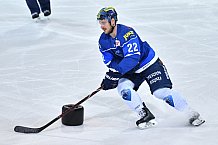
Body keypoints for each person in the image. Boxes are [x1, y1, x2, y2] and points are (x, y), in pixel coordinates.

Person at [97, 7, 205, 129]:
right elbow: (110, 61)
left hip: (149, 64)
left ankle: (190, 113)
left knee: (161, 92)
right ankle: (144, 114)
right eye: (100, 23)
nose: (101, 26)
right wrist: (113, 76)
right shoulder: (103, 41)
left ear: (112, 21)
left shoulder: (127, 33)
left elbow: (132, 58)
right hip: (132, 70)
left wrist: (116, 73)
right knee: (123, 88)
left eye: (104, 22)